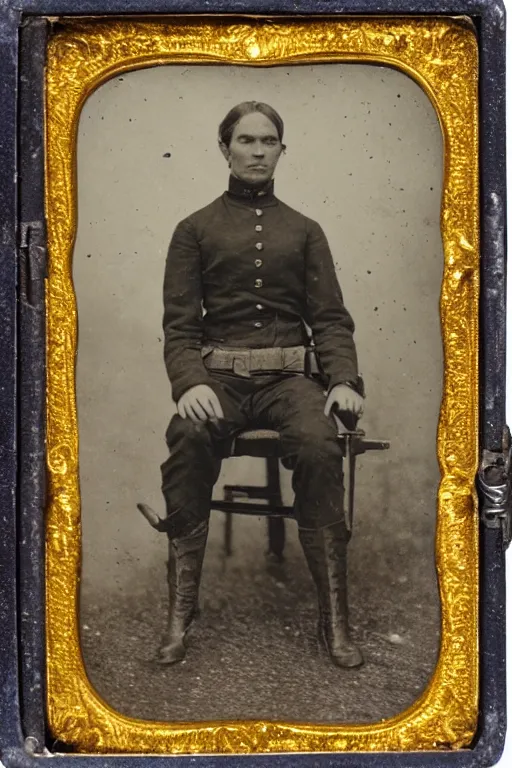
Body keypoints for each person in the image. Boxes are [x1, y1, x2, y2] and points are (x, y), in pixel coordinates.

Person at [138, 101, 365, 669]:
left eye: (269, 141)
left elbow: (331, 318)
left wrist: (342, 380)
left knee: (318, 444)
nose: (258, 151)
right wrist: (189, 382)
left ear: (282, 151)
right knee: (188, 438)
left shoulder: (305, 230)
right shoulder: (194, 230)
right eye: (246, 140)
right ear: (225, 149)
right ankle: (180, 616)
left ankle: (334, 623)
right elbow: (180, 326)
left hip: (289, 381)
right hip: (220, 382)